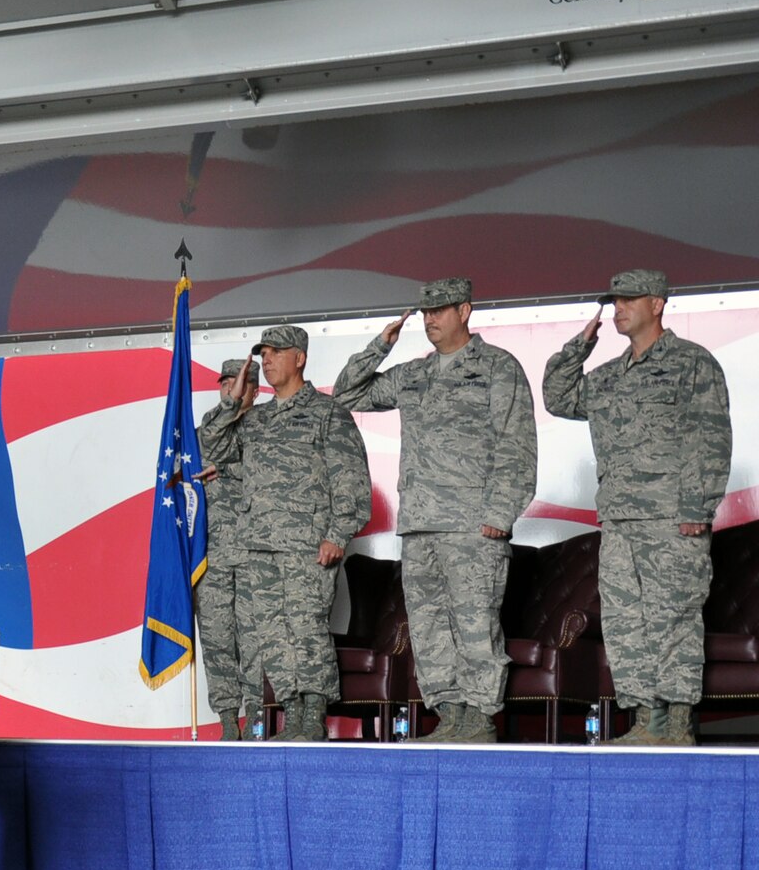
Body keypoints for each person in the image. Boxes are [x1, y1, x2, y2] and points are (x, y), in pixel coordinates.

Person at [333, 277, 537, 743]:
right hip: (420, 526)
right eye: (425, 312)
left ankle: (479, 719)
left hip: (473, 526)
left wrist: (500, 514)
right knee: (428, 631)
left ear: (465, 310)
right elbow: (347, 394)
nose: (430, 320)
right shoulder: (414, 374)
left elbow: (517, 446)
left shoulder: (497, 367)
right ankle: (449, 717)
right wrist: (379, 346)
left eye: (440, 310)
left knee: (474, 625)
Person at [543, 270, 731, 746]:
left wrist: (698, 506)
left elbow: (710, 438)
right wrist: (579, 347)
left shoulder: (692, 363)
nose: (618, 308)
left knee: (674, 619)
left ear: (658, 303)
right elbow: (558, 397)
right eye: (614, 301)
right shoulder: (606, 377)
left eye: (628, 299)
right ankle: (645, 721)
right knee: (627, 625)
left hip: (673, 518)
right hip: (620, 522)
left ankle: (678, 723)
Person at [237, 326, 372, 742]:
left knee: (306, 627)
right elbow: (214, 451)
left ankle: (312, 715)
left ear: (300, 358)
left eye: (276, 352)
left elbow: (351, 481)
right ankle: (292, 712)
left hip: (307, 544)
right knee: (273, 634)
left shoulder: (328, 413)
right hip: (260, 544)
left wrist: (338, 534)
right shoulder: (254, 420)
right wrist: (232, 404)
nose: (267, 360)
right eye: (263, 354)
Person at [196, 357, 261, 739]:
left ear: (254, 389)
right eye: (224, 384)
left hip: (255, 556)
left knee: (254, 642)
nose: (229, 390)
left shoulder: (267, 427)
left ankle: (255, 721)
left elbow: (275, 476)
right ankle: (226, 724)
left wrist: (229, 471)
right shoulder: (206, 430)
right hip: (214, 557)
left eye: (237, 384)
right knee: (217, 641)